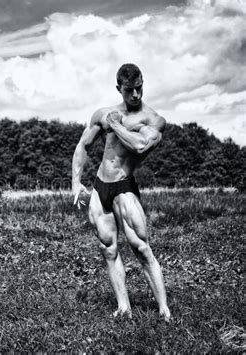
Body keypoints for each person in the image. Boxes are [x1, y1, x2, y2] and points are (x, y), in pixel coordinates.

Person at [72, 63, 171, 321]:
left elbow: (140, 146)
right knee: (108, 249)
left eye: (139, 88)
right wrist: (75, 181)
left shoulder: (153, 119)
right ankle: (123, 307)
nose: (136, 94)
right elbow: (83, 145)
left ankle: (164, 310)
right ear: (119, 89)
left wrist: (115, 126)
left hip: (124, 186)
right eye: (129, 90)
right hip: (100, 186)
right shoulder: (103, 114)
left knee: (140, 246)